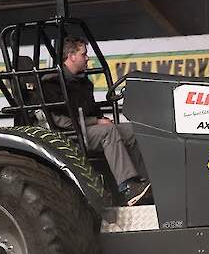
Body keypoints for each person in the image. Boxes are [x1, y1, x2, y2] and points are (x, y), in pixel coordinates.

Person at [41, 36, 152, 206]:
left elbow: (89, 109)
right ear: (71, 56)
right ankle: (127, 187)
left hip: (85, 128)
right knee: (108, 131)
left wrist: (100, 118)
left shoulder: (82, 82)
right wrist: (96, 121)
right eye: (83, 54)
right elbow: (61, 122)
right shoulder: (52, 83)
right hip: (68, 134)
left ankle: (145, 183)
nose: (87, 58)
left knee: (131, 130)